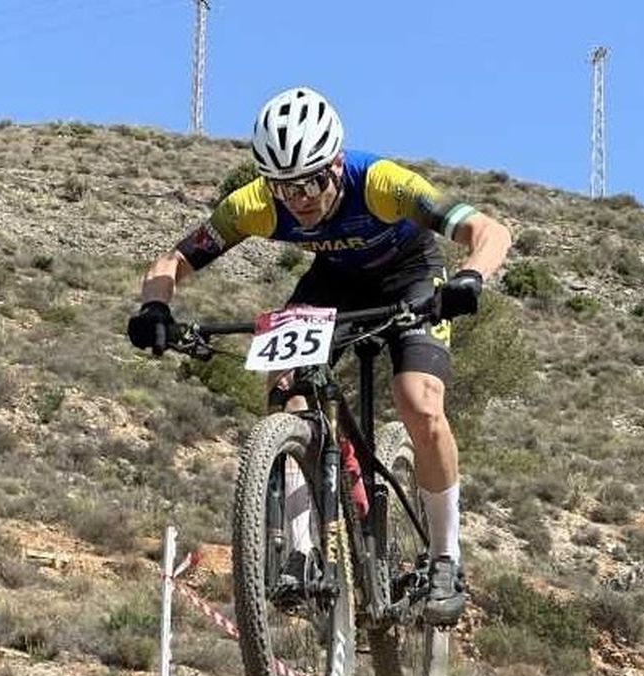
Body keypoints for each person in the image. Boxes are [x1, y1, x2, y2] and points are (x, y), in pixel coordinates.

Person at [126, 86, 511, 625]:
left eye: (310, 181)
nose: (298, 198)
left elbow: (489, 231)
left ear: (334, 162)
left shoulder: (381, 183)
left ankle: (447, 558)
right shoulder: (255, 205)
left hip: (412, 277)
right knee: (285, 389)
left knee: (417, 400)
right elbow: (173, 259)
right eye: (284, 187)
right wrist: (155, 308)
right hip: (333, 283)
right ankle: (304, 549)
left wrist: (469, 278)